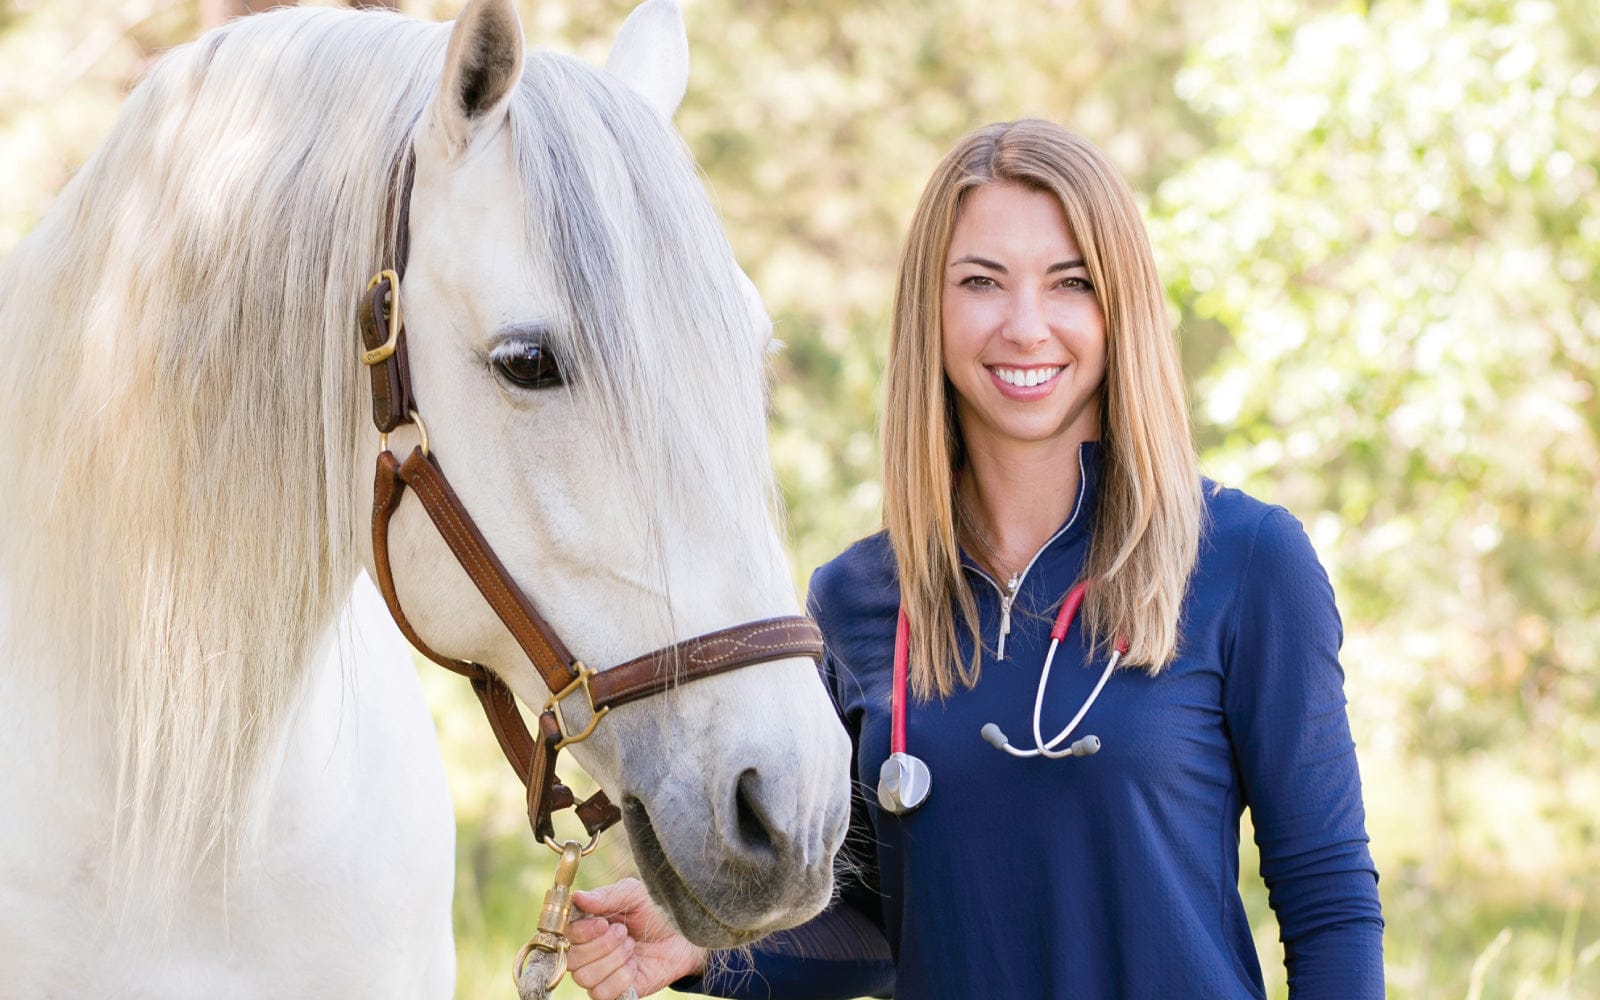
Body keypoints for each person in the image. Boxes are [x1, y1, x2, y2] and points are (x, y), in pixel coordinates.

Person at [562, 119, 1385, 999]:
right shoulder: (856, 599)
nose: (1026, 327)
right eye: (982, 283)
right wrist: (705, 946)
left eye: (1070, 283)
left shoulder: (1245, 562)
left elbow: (1327, 900)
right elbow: (881, 928)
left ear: (1119, 308)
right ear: (932, 309)